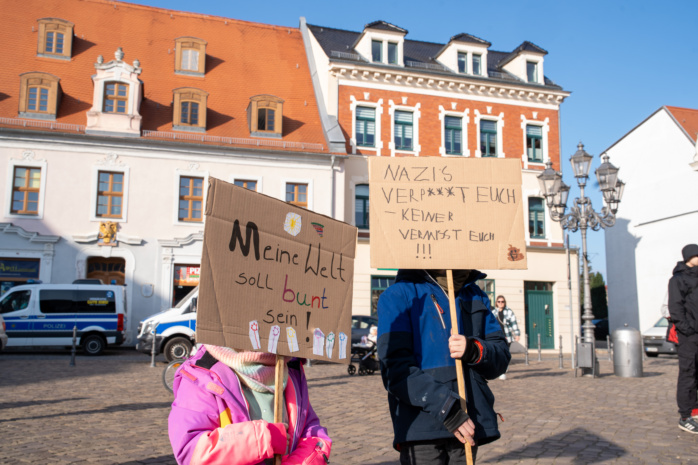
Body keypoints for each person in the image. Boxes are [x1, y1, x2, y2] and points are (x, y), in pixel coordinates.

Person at [377, 269, 510, 464]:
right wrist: (447, 409)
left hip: (468, 424)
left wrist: (474, 350)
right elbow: (394, 368)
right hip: (422, 428)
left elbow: (501, 357)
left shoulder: (475, 295)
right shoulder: (398, 295)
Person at [168, 345, 332, 464]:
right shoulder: (202, 374)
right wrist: (263, 439)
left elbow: (312, 434)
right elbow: (190, 451)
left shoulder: (291, 369)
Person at [668, 244, 698, 434]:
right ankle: (685, 417)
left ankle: (695, 411)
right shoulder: (678, 279)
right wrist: (687, 330)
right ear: (690, 257)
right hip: (689, 335)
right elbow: (676, 307)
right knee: (688, 373)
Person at [492, 295, 521, 380]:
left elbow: (514, 323)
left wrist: (517, 334)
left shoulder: (509, 312)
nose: (501, 303)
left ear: (504, 302)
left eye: (502, 301)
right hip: (497, 336)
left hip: (507, 337)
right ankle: (501, 370)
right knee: (498, 353)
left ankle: (503, 371)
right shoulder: (494, 312)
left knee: (505, 354)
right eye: (499, 301)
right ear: (496, 303)